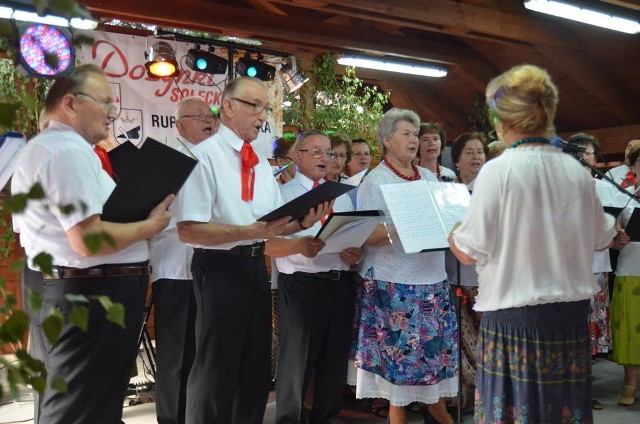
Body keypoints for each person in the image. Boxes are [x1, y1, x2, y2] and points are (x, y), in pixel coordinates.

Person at [448, 64, 617, 423]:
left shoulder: (498, 171)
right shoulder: (576, 170)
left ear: (503, 120)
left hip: (515, 320)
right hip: (569, 319)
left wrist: (452, 233)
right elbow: (603, 238)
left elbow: (468, 248)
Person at [11, 64, 174, 424]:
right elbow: (87, 240)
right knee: (79, 410)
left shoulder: (62, 149)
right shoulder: (65, 151)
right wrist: (150, 225)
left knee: (89, 406)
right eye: (105, 103)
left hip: (86, 289)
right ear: (70, 103)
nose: (113, 114)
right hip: (90, 292)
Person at [174, 76, 330, 424]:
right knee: (216, 368)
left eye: (266, 107)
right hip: (217, 267)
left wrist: (303, 222)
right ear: (228, 107)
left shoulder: (259, 161)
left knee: (255, 369)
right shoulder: (204, 157)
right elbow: (188, 230)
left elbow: (271, 225)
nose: (262, 115)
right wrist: (250, 231)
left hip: (255, 267)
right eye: (254, 105)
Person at [353, 108, 458, 424]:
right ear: (387, 140)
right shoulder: (375, 181)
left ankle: (437, 408)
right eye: (406, 134)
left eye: (416, 134)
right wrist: (406, 221)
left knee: (435, 361)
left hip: (433, 280)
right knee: (401, 370)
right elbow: (368, 236)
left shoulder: (429, 177)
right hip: (394, 285)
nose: (414, 140)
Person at [275, 129, 363, 424]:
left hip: (340, 282)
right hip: (302, 284)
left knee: (333, 361)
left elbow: (351, 236)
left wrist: (355, 253)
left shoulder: (343, 196)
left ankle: (326, 416)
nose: (323, 158)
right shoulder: (284, 194)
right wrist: (303, 246)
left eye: (328, 152)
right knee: (297, 363)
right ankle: (289, 419)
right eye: (315, 151)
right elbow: (270, 242)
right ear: (297, 156)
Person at [150, 96, 214, 424]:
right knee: (176, 356)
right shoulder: (165, 159)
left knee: (202, 353)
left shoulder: (214, 160)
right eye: (198, 115)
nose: (208, 120)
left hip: (211, 271)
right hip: (175, 268)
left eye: (210, 115)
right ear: (179, 124)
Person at [567, 132, 630, 411]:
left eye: (589, 152)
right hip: (568, 272)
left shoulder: (605, 188)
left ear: (595, 158)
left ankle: (583, 390)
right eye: (578, 151)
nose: (583, 156)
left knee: (589, 337)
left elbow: (615, 228)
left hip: (597, 269)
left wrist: (619, 238)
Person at [609, 144, 640, 407]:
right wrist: (617, 233)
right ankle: (630, 381)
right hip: (631, 267)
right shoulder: (624, 194)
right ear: (633, 167)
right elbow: (612, 223)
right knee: (632, 327)